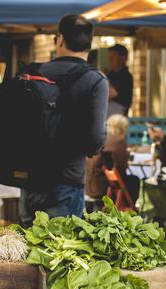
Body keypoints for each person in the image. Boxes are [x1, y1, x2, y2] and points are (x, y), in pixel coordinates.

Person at [18, 14, 109, 227]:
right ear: (90, 43)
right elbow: (95, 139)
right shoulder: (95, 80)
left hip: (29, 180)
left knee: (25, 253)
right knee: (60, 254)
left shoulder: (33, 73)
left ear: (59, 39)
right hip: (67, 182)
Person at [85, 114, 130, 201]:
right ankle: (129, 209)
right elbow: (122, 168)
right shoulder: (118, 141)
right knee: (135, 181)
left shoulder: (102, 137)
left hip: (90, 186)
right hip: (103, 188)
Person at [106, 44, 133, 116]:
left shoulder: (125, 76)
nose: (110, 59)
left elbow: (110, 94)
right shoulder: (110, 74)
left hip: (117, 117)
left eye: (114, 55)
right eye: (109, 55)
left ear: (123, 58)